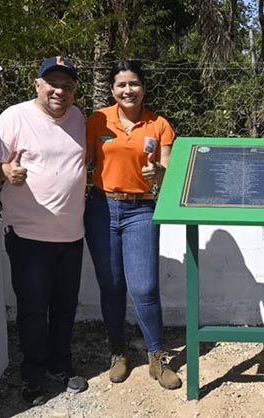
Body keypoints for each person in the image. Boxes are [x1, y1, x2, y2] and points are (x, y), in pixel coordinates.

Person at [0, 56, 89, 405]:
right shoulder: (14, 117)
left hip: (71, 234)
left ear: (74, 91)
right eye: (52, 83)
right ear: (37, 84)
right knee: (33, 309)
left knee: (65, 306)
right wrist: (4, 172)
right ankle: (33, 375)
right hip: (28, 236)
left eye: (67, 85)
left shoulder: (78, 118)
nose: (59, 91)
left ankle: (60, 365)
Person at [84, 60, 181, 390]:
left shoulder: (159, 124)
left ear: (144, 88)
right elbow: (82, 160)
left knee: (144, 288)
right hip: (101, 208)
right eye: (121, 85)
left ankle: (157, 356)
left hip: (141, 210)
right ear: (113, 90)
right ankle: (118, 351)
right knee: (111, 286)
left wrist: (160, 173)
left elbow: (168, 171)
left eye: (134, 84)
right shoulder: (98, 120)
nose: (128, 90)